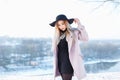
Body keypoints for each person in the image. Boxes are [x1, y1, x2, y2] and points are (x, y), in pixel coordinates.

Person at [49, 14, 89, 80]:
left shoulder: (73, 32)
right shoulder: (57, 35)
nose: (61, 26)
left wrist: (79, 23)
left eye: (62, 23)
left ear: (66, 23)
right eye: (59, 25)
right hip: (60, 63)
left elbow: (85, 38)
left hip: (69, 63)